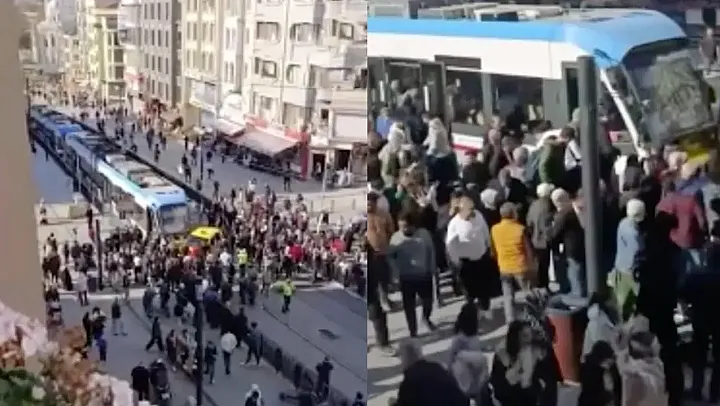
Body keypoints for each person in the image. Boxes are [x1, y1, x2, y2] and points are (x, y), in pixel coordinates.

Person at [387, 210, 437, 337]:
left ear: (412, 225)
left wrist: (432, 267)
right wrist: (395, 273)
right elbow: (390, 257)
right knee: (409, 307)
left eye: (405, 226)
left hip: (424, 275)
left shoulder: (424, 234)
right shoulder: (396, 238)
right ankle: (413, 331)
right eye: (400, 226)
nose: (402, 229)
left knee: (428, 302)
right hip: (406, 277)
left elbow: (431, 251)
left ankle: (426, 318)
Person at [446, 196, 493, 319]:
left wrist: (489, 246)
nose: (472, 211)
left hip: (481, 257)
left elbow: (485, 231)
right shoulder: (454, 224)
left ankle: (485, 308)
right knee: (469, 290)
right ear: (461, 210)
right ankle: (472, 312)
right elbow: (450, 245)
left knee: (484, 287)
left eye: (473, 208)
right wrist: (455, 261)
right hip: (466, 262)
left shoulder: (478, 216)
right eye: (469, 209)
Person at [491, 202, 534, 323]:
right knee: (527, 293)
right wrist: (532, 265)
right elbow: (528, 250)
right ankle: (532, 315)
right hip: (520, 266)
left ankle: (510, 320)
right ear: (513, 213)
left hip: (504, 267)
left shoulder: (494, 229)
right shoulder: (520, 229)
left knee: (508, 296)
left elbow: (493, 249)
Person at [447, 303, 490, 404]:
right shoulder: (459, 339)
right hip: (465, 377)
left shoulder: (473, 334)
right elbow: (452, 358)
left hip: (477, 373)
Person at [577, 341, 622, 406]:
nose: (608, 365)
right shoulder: (588, 370)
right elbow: (591, 392)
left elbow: (618, 387)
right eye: (606, 362)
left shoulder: (612, 368)